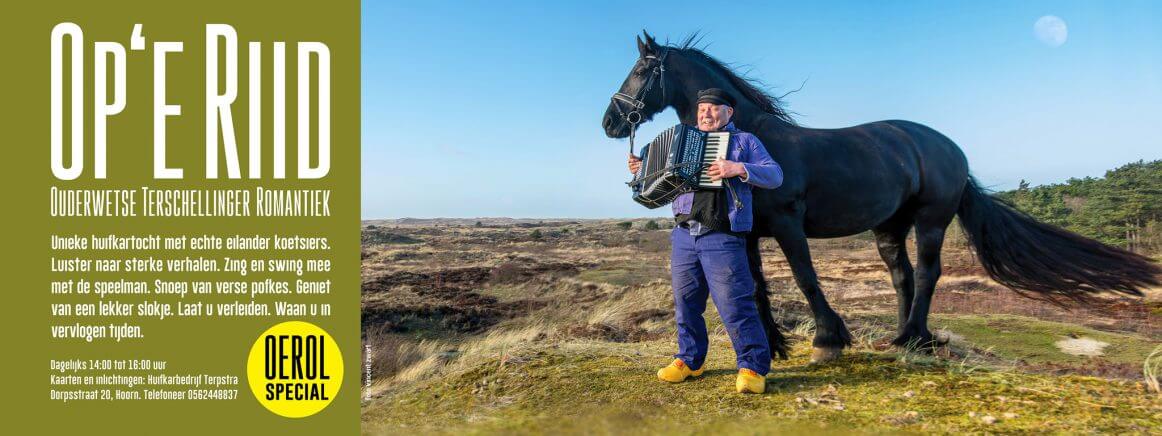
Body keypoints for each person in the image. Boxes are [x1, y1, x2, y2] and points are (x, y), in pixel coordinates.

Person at [628, 88, 784, 394]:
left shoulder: (744, 142)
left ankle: (752, 367)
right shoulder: (682, 142)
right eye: (702, 110)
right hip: (685, 234)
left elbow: (775, 175)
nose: (706, 114)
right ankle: (690, 360)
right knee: (686, 304)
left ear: (729, 113)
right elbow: (659, 184)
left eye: (714, 108)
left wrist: (739, 168)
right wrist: (641, 169)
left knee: (735, 304)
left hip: (723, 234)